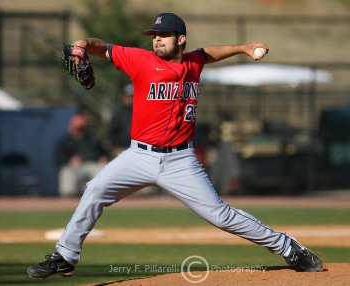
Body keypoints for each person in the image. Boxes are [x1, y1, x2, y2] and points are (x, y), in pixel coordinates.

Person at [27, 12, 323, 278]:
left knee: (219, 215)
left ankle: (289, 248)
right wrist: (80, 44)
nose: (157, 41)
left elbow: (209, 53)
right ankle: (66, 256)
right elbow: (100, 46)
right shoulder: (140, 60)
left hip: (181, 160)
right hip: (138, 155)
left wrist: (244, 47)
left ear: (180, 39)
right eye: (154, 36)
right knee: (95, 190)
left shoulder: (194, 62)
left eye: (163, 35)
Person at [56, 113, 109, 197]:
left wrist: (103, 157)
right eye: (78, 128)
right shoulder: (64, 141)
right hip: (74, 167)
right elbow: (58, 160)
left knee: (104, 168)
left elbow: (104, 153)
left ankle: (106, 196)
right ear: (72, 127)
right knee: (67, 172)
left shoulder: (92, 138)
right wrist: (70, 160)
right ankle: (68, 199)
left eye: (82, 128)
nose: (80, 130)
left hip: (93, 164)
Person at [108, 84, 133, 157]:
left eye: (132, 96)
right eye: (128, 96)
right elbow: (111, 132)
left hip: (137, 150)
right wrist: (114, 147)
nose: (129, 99)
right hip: (121, 149)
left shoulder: (140, 112)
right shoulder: (118, 113)